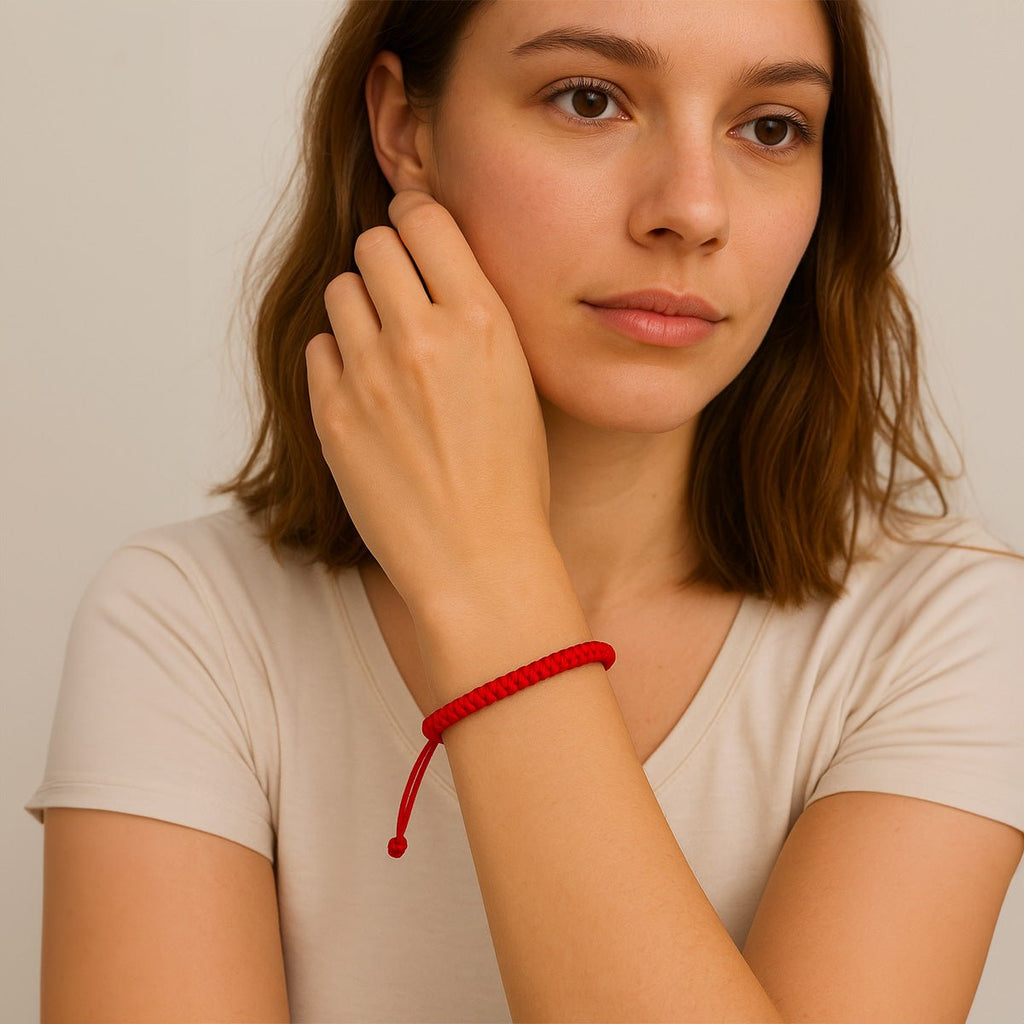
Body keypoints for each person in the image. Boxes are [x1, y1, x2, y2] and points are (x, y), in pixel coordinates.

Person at [27, 1, 1024, 1020]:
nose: (692, 208)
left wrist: (486, 579)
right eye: (588, 99)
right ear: (403, 128)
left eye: (769, 126)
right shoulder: (190, 625)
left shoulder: (943, 629)